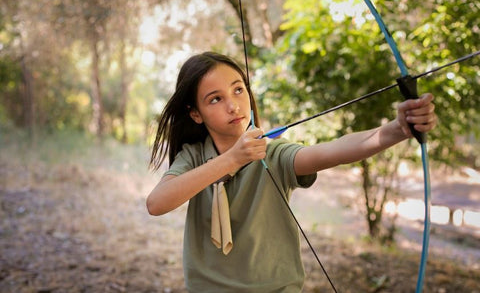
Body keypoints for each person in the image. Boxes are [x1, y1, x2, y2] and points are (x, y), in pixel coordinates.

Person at [146, 51, 437, 292]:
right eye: (215, 99)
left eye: (238, 89)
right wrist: (231, 160)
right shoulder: (194, 157)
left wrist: (396, 130)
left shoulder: (272, 153)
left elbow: (330, 151)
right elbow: (157, 203)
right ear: (195, 113)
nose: (234, 105)